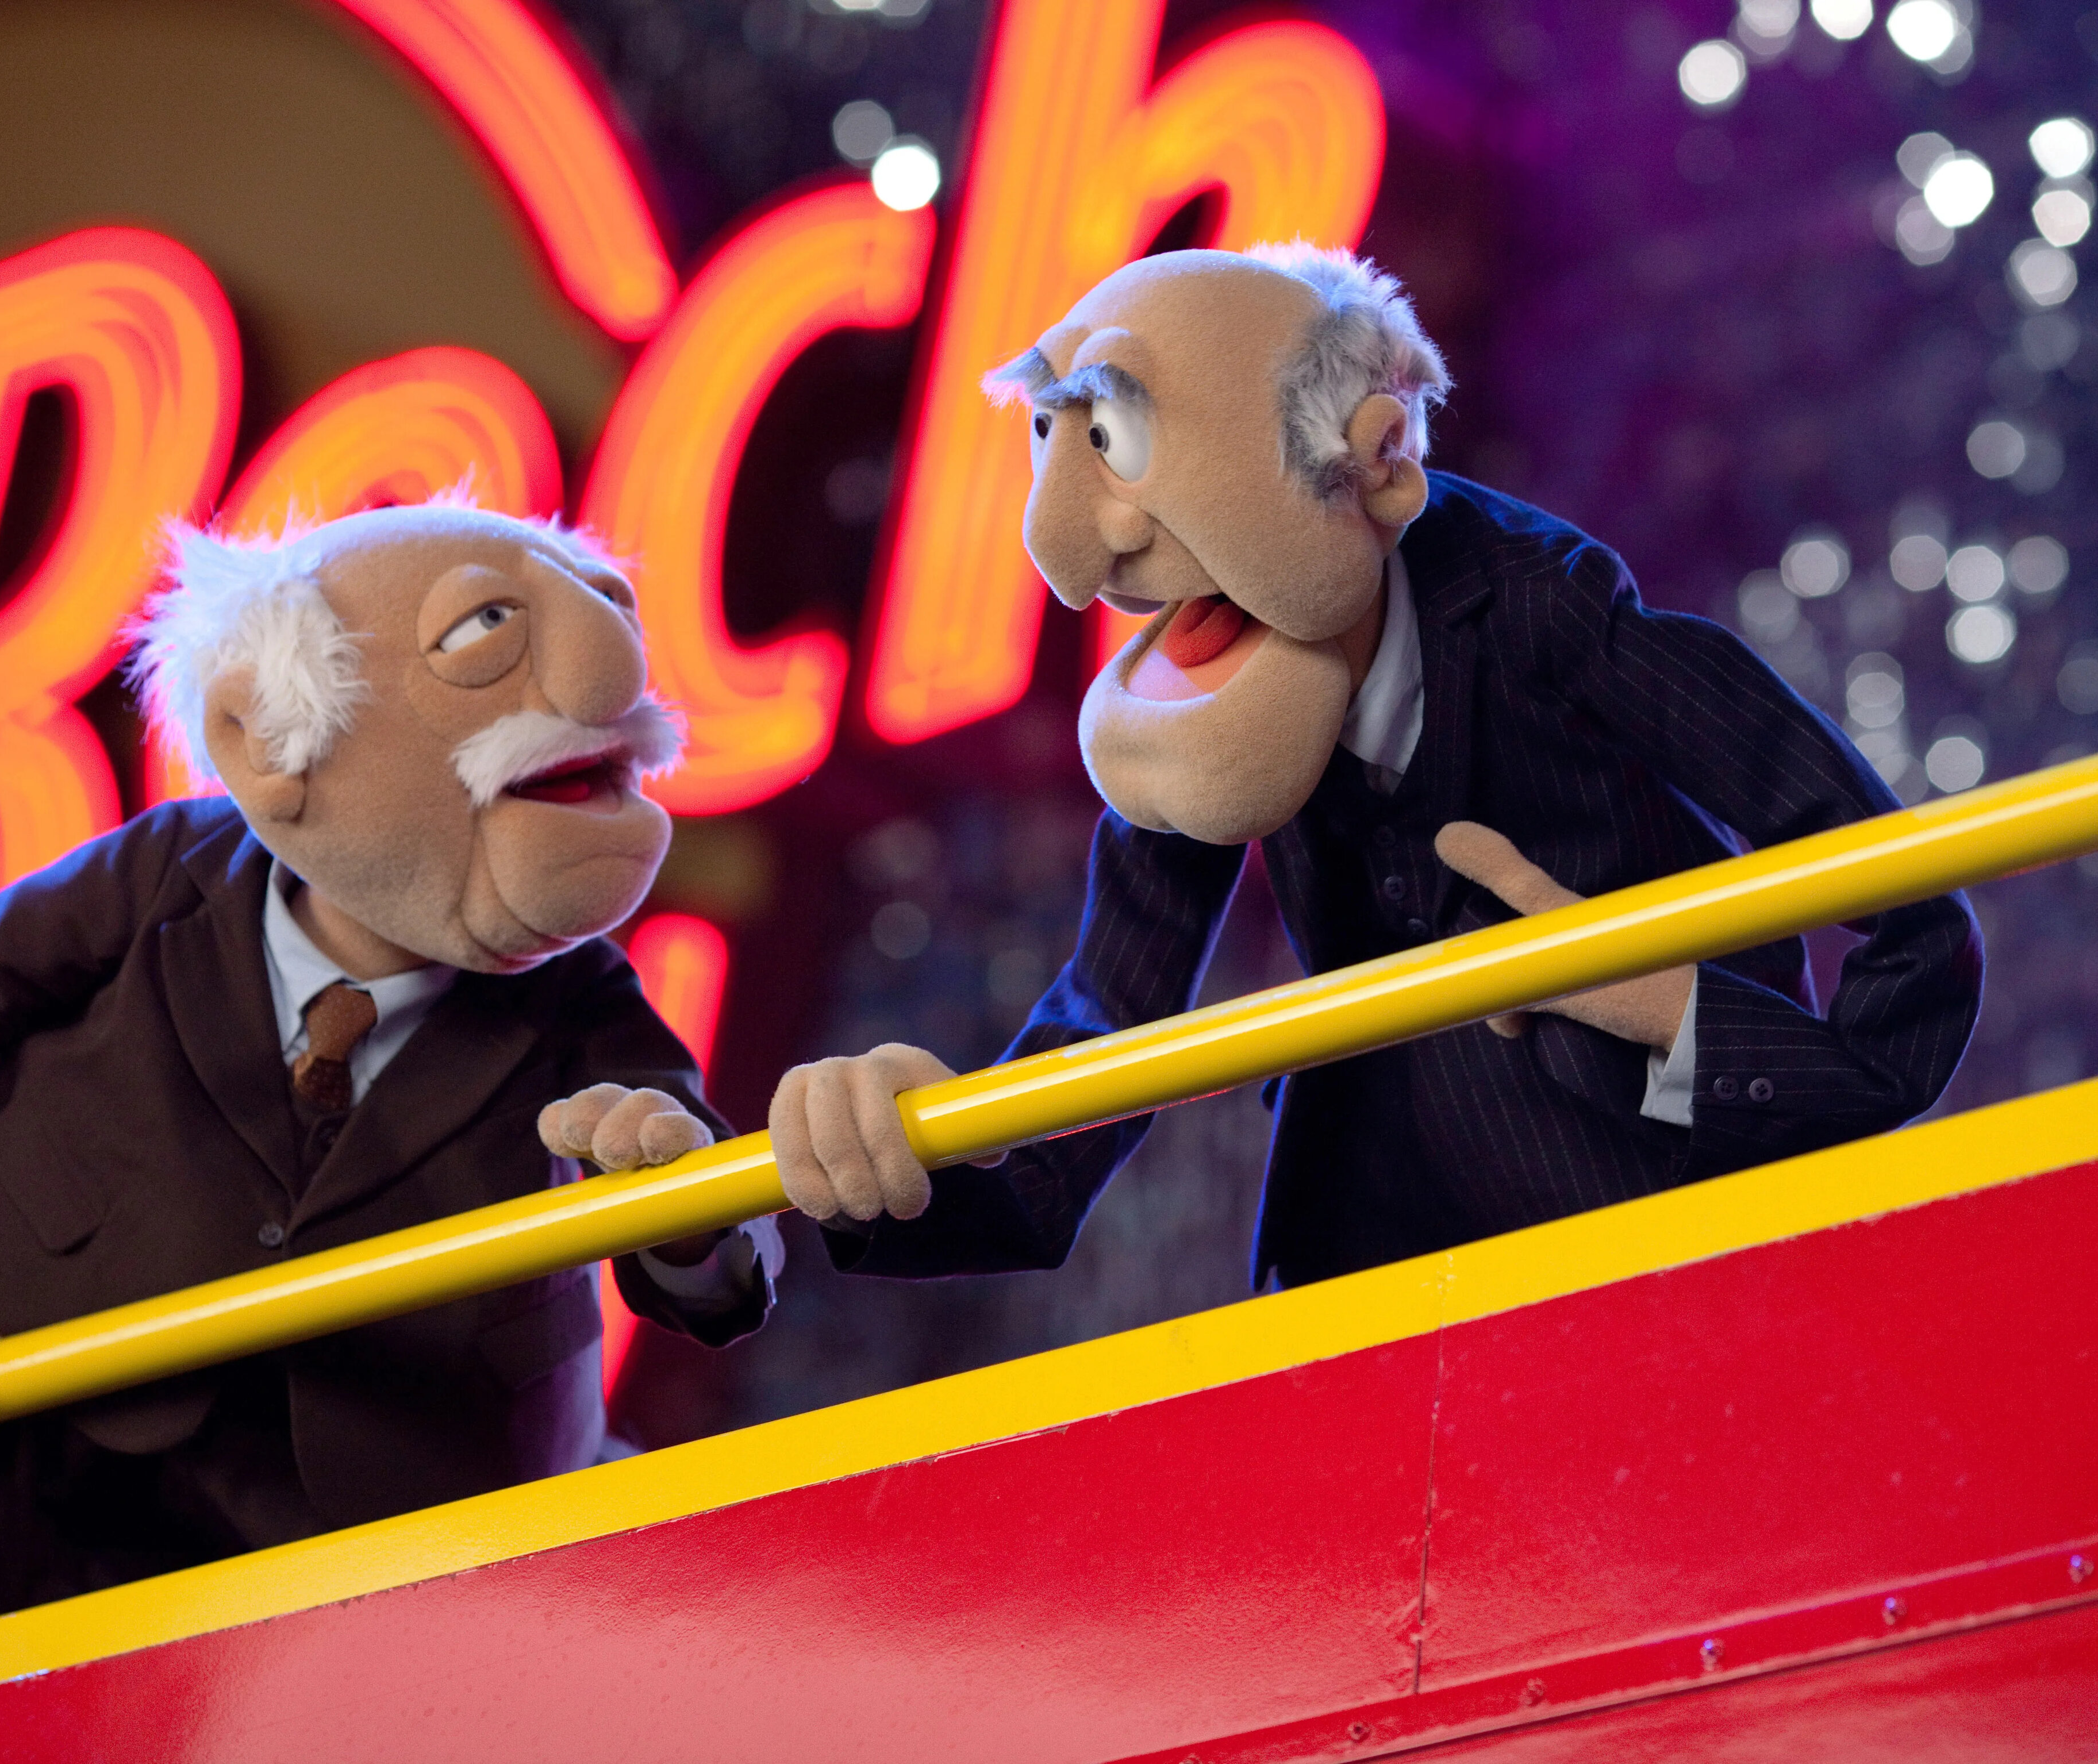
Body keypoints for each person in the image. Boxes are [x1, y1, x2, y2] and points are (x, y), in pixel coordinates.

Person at [769, 245, 1981, 1292]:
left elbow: (1910, 917)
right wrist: (916, 1153)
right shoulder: (1196, 716)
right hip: (1366, 1272)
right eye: (1056, 435)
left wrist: (1674, 1009)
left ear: (1377, 463)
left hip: (1638, 1235)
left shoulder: (1542, 610)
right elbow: (1104, 1028)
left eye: (1118, 439)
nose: (1071, 550)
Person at [0, 501, 778, 1614]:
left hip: (411, 1527)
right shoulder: (160, 876)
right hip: (67, 1465)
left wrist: (680, 1213)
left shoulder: (576, 992)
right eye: (483, 631)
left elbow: (702, 1200)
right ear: (265, 738)